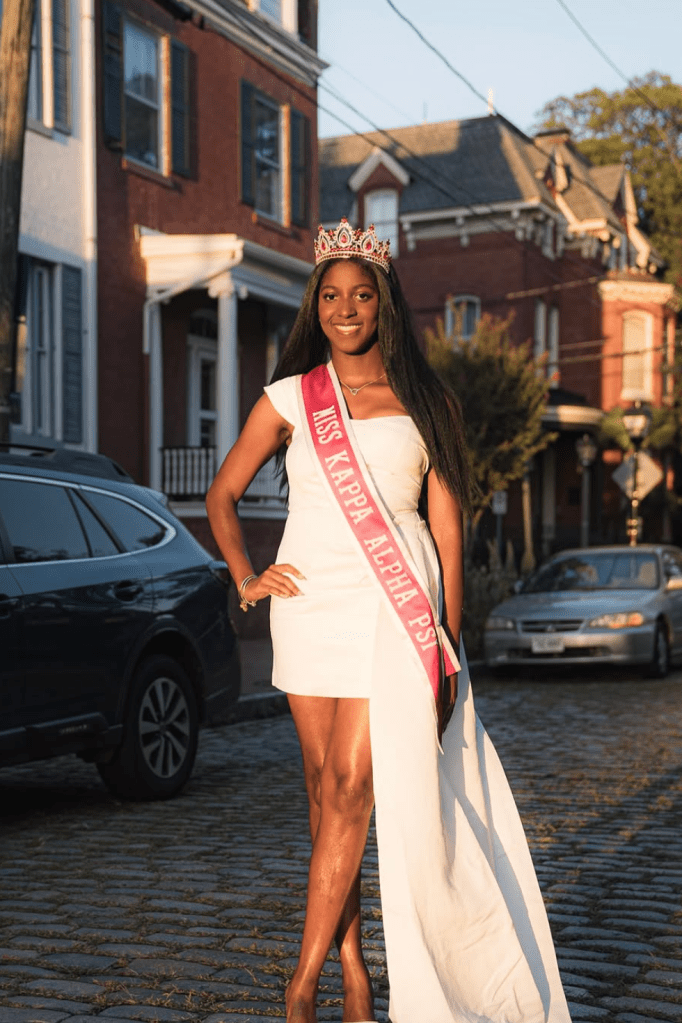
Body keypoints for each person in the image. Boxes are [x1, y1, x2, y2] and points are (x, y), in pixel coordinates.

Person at [206, 220, 571, 1023]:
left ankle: (299, 988)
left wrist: (449, 641)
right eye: (331, 296)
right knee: (322, 794)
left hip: (395, 610)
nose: (345, 308)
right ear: (318, 305)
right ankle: (351, 962)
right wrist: (244, 575)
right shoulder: (290, 397)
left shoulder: (428, 401)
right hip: (308, 609)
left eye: (360, 295)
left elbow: (448, 530)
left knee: (350, 783)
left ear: (384, 305)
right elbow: (222, 493)